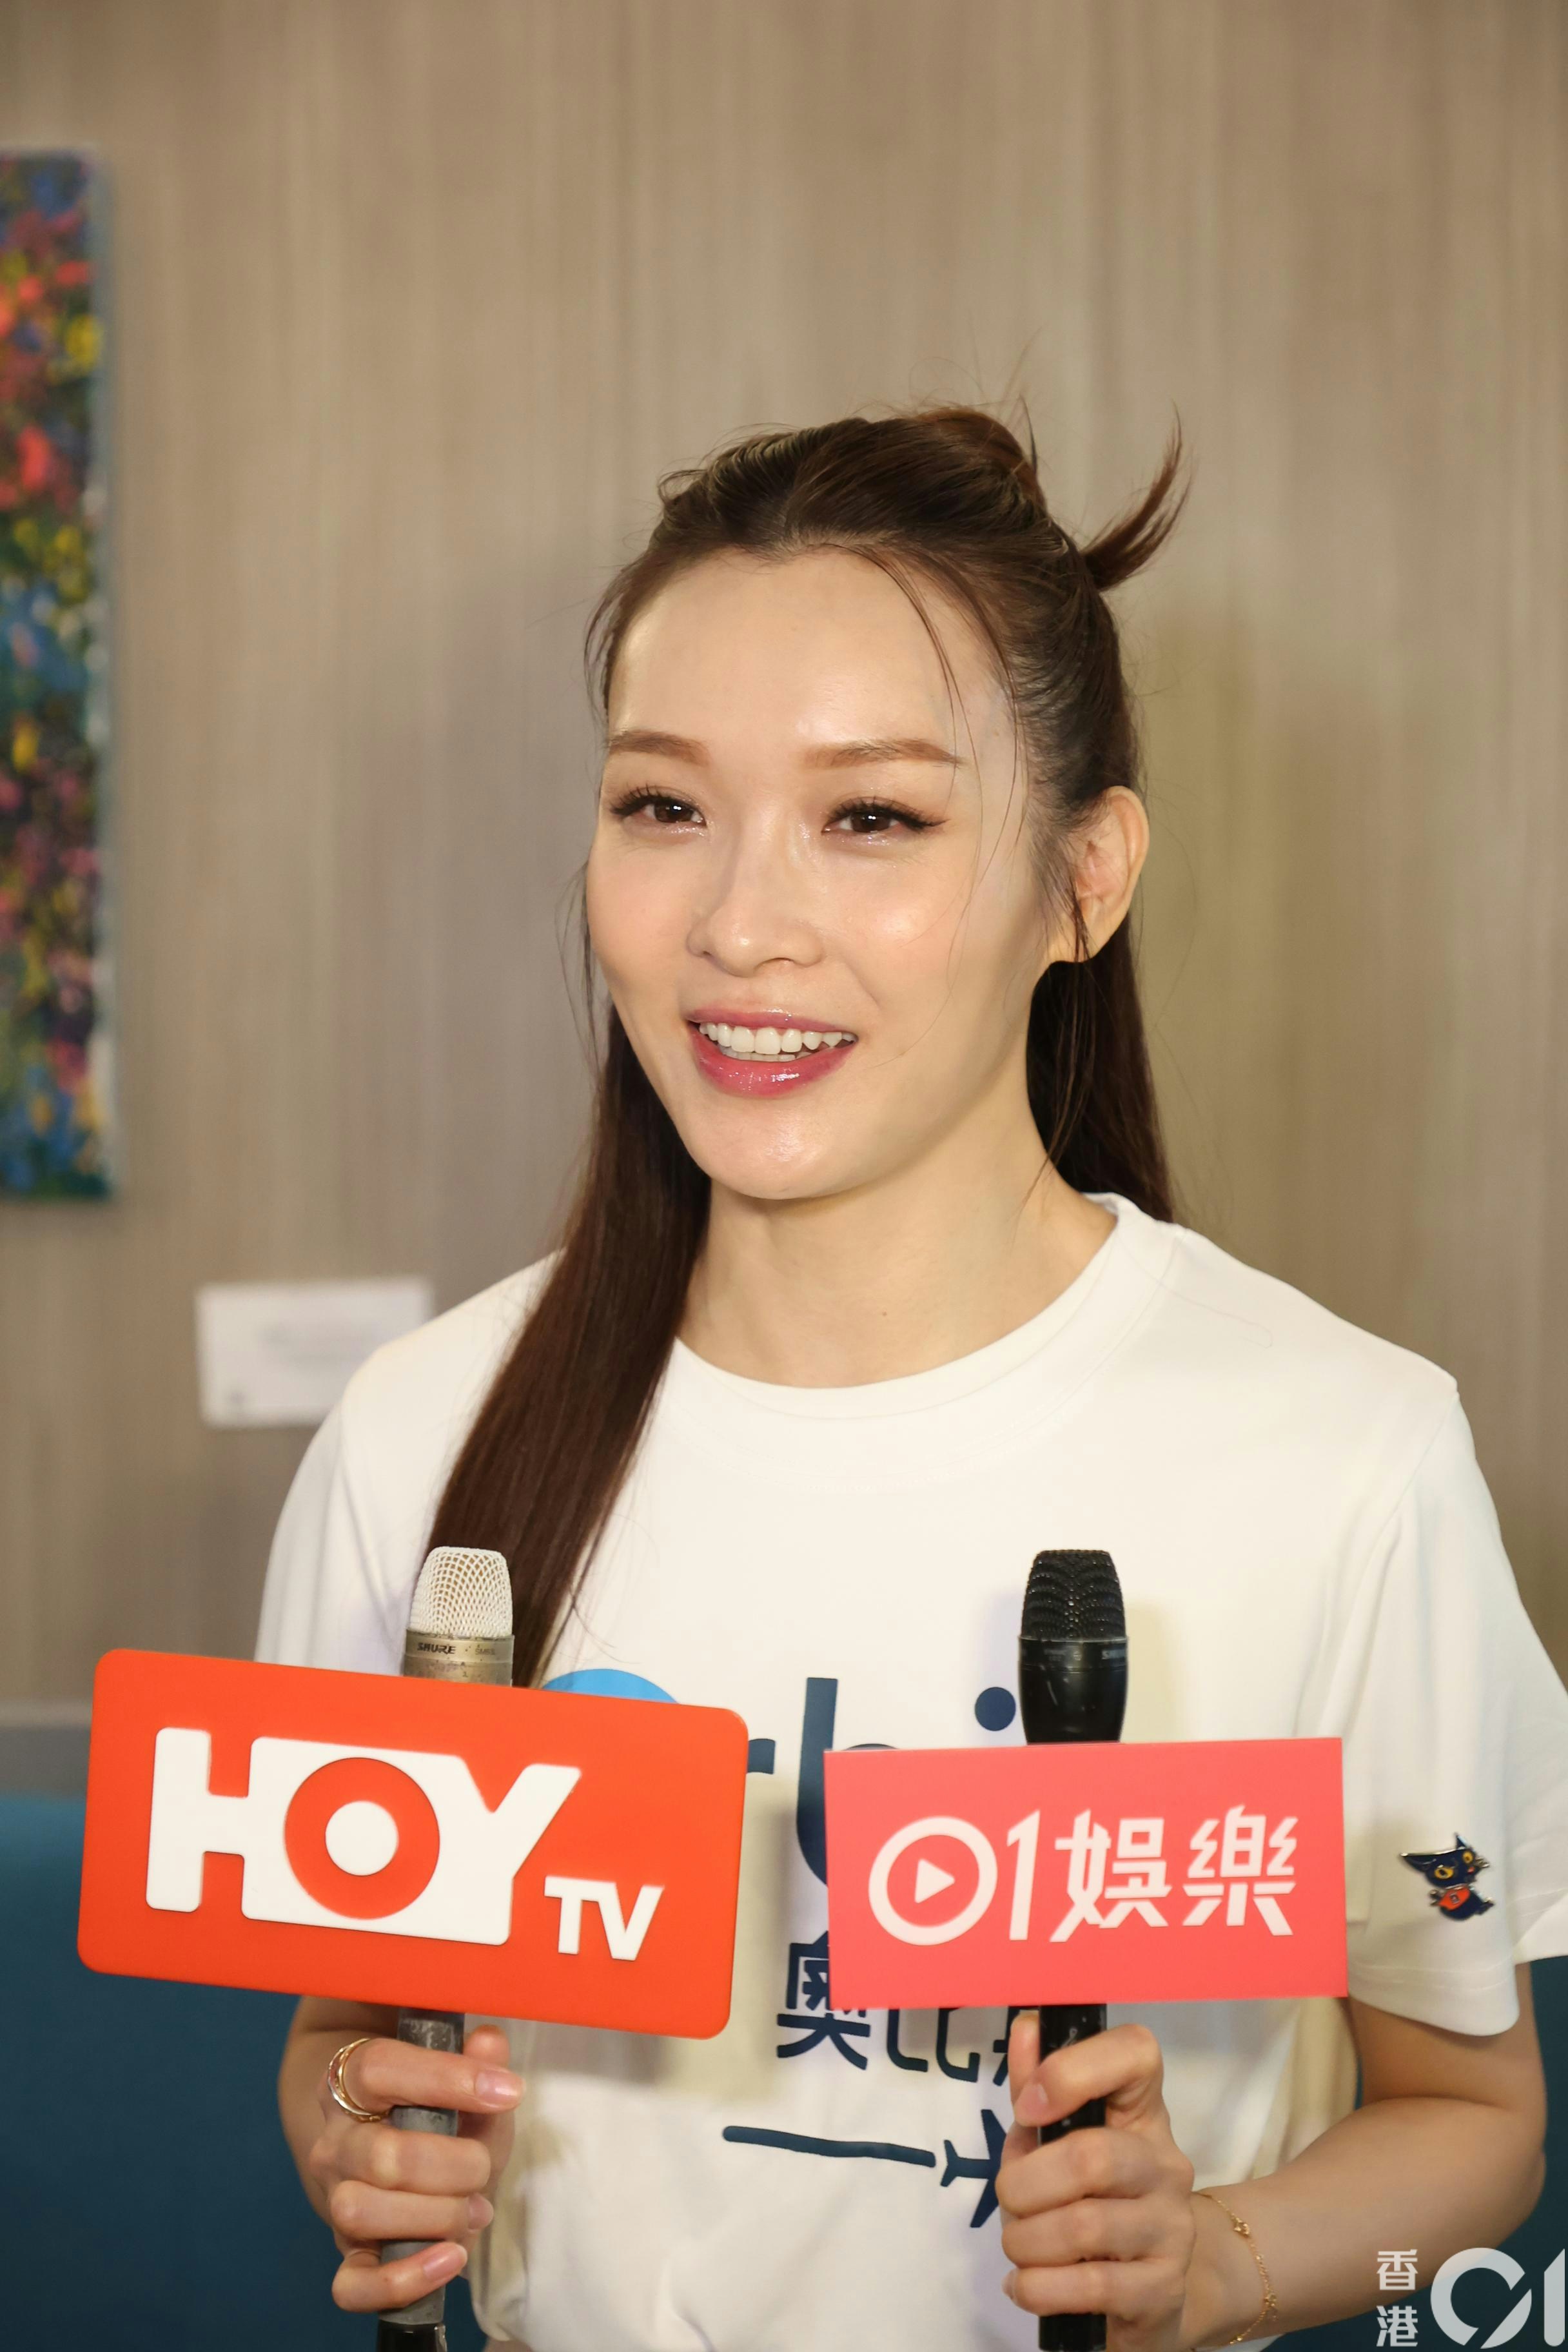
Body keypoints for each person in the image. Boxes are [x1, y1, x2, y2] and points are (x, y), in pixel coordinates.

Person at [260, 404, 1568, 2352]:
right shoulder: (420, 1440)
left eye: (872, 817)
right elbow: (348, 2033)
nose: (737, 926)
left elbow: (1478, 2140)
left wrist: (1220, 2262)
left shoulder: (1345, 1460)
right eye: (661, 806)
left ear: (1085, 877)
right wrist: (361, 2140)